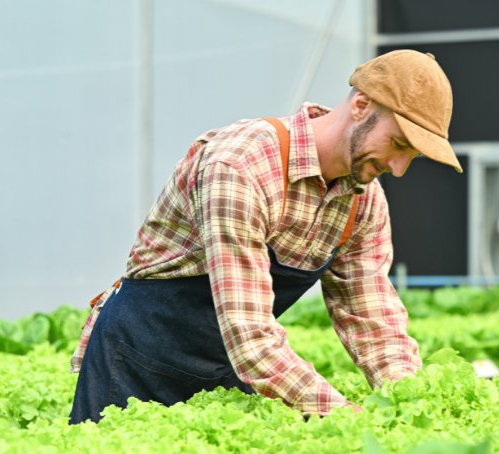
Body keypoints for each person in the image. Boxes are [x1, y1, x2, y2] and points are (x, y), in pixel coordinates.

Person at [68, 49, 463, 424]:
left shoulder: (363, 201)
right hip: (136, 362)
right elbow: (250, 337)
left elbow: (370, 314)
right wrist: (344, 417)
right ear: (361, 106)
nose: (398, 169)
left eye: (412, 156)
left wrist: (408, 403)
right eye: (397, 144)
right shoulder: (241, 165)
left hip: (225, 368)